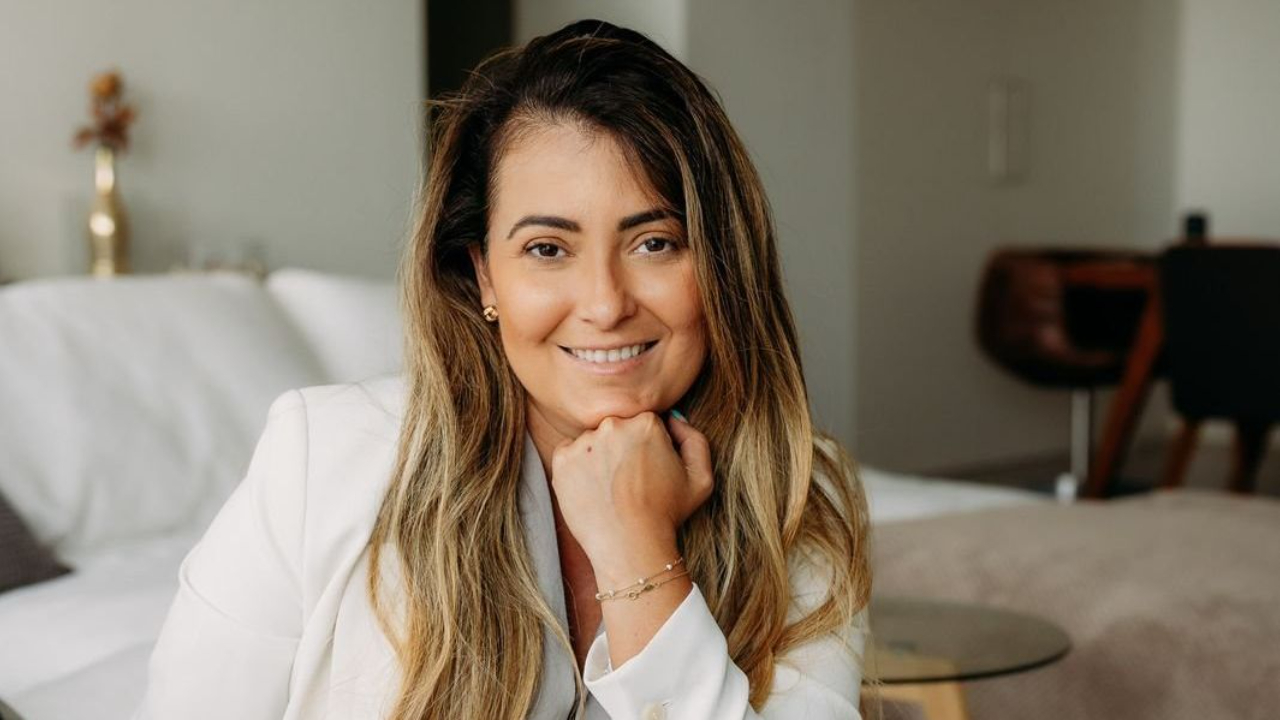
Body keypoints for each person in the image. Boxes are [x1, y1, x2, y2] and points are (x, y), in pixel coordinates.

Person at [135, 18, 872, 720]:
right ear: (484, 275)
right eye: (548, 250)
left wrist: (638, 558)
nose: (605, 304)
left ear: (721, 263)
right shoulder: (321, 461)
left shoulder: (801, 497)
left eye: (655, 242)